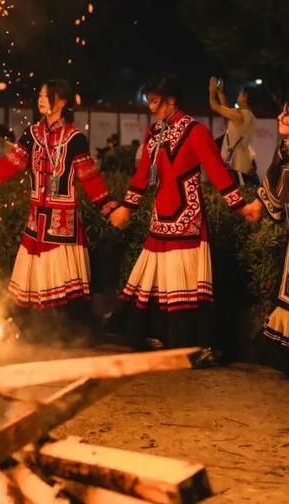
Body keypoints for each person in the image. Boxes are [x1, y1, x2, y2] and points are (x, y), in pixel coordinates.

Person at [108, 73, 253, 356]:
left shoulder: (195, 132)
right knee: (159, 277)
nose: (150, 107)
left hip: (187, 219)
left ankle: (189, 343)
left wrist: (240, 205)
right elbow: (141, 176)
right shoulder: (153, 134)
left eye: (155, 102)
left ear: (171, 101)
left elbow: (217, 171)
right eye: (149, 101)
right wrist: (127, 206)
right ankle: (158, 335)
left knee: (183, 280)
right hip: (160, 217)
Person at [0, 79, 117, 319]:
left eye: (45, 95)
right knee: (30, 290)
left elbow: (89, 178)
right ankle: (37, 336)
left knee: (65, 294)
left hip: (62, 225)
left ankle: (70, 338)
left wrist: (111, 208)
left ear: (61, 101)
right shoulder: (33, 134)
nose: (40, 99)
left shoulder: (74, 138)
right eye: (39, 94)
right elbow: (9, 164)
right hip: (36, 223)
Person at [242, 95, 289, 379]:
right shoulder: (286, 149)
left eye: (287, 115)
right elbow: (274, 185)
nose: (279, 119)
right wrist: (257, 206)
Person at [208, 77, 257, 185]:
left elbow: (215, 106)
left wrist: (212, 91)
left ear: (245, 97)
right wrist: (220, 93)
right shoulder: (248, 114)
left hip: (236, 166)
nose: (238, 96)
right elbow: (227, 109)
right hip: (242, 163)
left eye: (240, 94)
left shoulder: (239, 115)